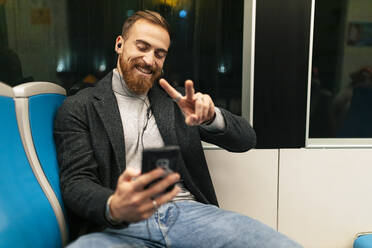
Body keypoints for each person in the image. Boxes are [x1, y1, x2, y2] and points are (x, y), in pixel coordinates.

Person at [54, 10, 302, 248]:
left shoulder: (176, 102)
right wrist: (113, 205)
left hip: (189, 215)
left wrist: (211, 117)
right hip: (122, 224)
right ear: (120, 44)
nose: (149, 60)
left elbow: (247, 139)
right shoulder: (80, 107)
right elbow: (76, 182)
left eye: (159, 53)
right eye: (142, 47)